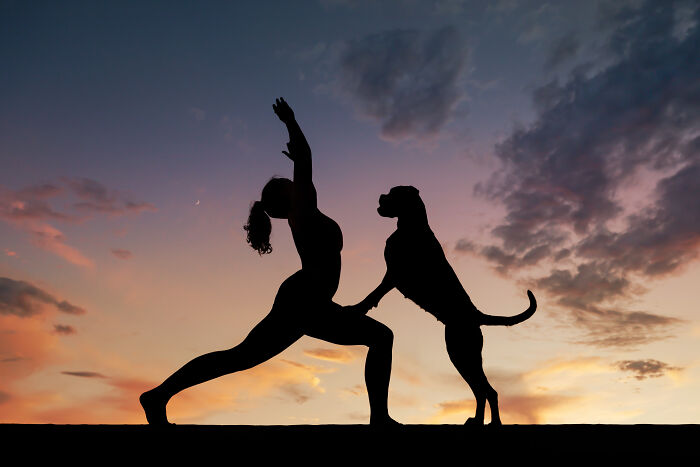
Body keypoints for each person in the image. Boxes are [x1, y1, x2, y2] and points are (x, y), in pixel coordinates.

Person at [140, 98, 397, 426]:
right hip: (305, 300)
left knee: (241, 357)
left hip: (308, 299)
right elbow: (306, 159)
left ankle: (158, 395)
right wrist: (290, 120)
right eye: (293, 184)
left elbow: (304, 166)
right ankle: (380, 420)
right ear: (289, 193)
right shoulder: (302, 212)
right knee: (380, 337)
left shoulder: (302, 214)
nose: (299, 183)